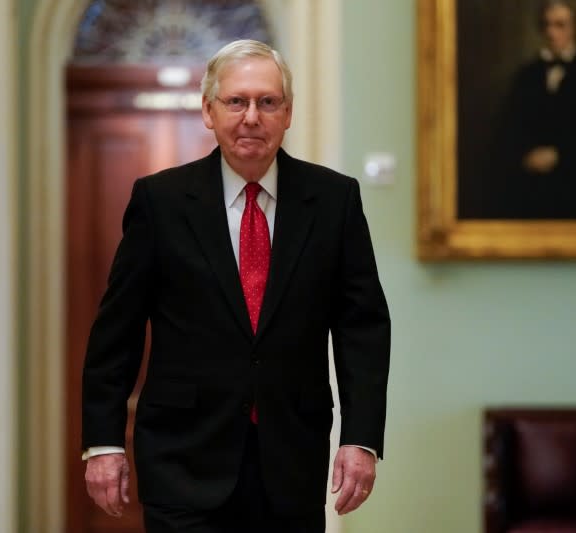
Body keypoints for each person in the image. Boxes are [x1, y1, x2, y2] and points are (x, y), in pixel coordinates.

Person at [81, 39, 391, 533]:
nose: (252, 117)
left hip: (291, 461)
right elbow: (115, 332)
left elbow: (363, 328)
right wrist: (104, 443)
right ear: (209, 110)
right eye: (236, 101)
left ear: (287, 113)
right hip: (182, 459)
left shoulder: (334, 200)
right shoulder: (160, 202)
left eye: (267, 102)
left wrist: (361, 438)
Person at [489, 0, 576, 219]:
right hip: (531, 193)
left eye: (560, 25)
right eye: (546, 25)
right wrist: (524, 156)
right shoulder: (526, 76)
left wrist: (560, 156)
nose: (551, 32)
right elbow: (507, 130)